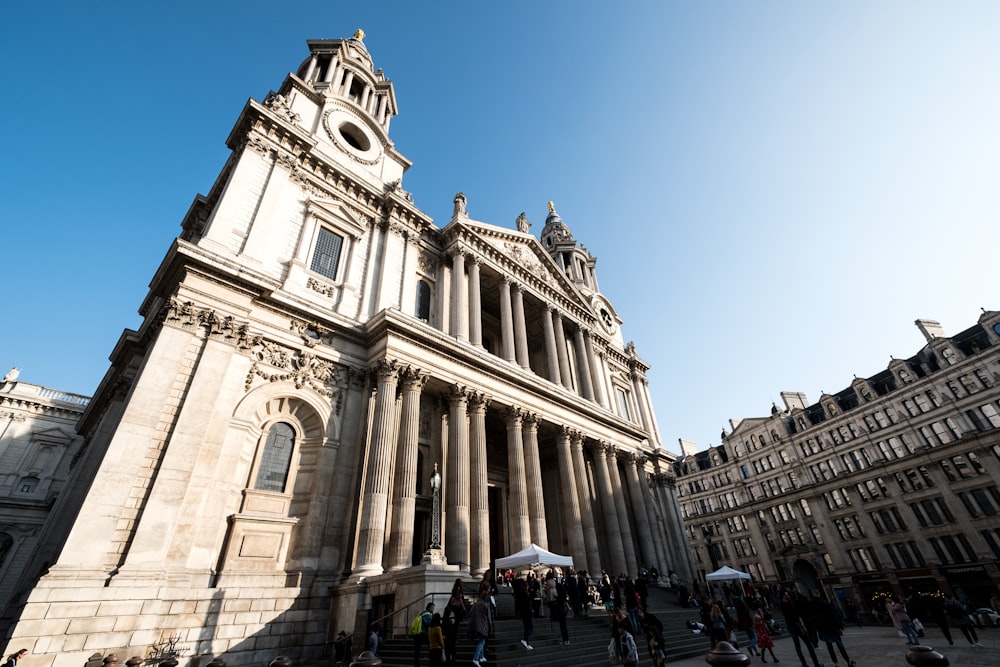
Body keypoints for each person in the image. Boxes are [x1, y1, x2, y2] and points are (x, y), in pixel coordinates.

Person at [807, 590, 855, 667]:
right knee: (840, 645)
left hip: (822, 628)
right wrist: (838, 626)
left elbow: (811, 617)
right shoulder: (824, 603)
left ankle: (836, 663)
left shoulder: (811, 604)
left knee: (829, 646)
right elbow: (832, 615)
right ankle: (848, 661)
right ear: (818, 594)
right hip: (831, 627)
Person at [780, 591, 822, 667]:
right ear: (783, 596)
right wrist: (801, 625)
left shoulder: (790, 603)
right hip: (794, 627)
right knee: (800, 646)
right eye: (786, 595)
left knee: (807, 645)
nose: (788, 595)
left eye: (788, 594)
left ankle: (814, 663)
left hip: (795, 626)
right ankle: (807, 664)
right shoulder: (785, 605)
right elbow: (792, 616)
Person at [469, 590, 493, 667]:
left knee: (482, 640)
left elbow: (471, 613)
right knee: (482, 641)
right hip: (483, 625)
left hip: (476, 625)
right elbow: (489, 617)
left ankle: (481, 656)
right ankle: (475, 658)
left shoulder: (476, 604)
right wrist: (491, 627)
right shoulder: (486, 604)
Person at [512, 576, 535, 650]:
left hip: (523, 613)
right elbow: (527, 605)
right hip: (527, 613)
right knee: (530, 628)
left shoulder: (521, 594)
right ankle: (525, 640)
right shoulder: (525, 594)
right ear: (526, 586)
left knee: (527, 628)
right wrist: (531, 610)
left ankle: (527, 644)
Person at [412, 602, 434, 667]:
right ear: (429, 608)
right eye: (432, 608)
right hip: (423, 634)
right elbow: (430, 625)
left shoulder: (421, 613)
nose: (433, 609)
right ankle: (431, 661)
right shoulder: (429, 615)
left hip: (417, 634)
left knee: (417, 651)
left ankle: (417, 664)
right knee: (430, 646)